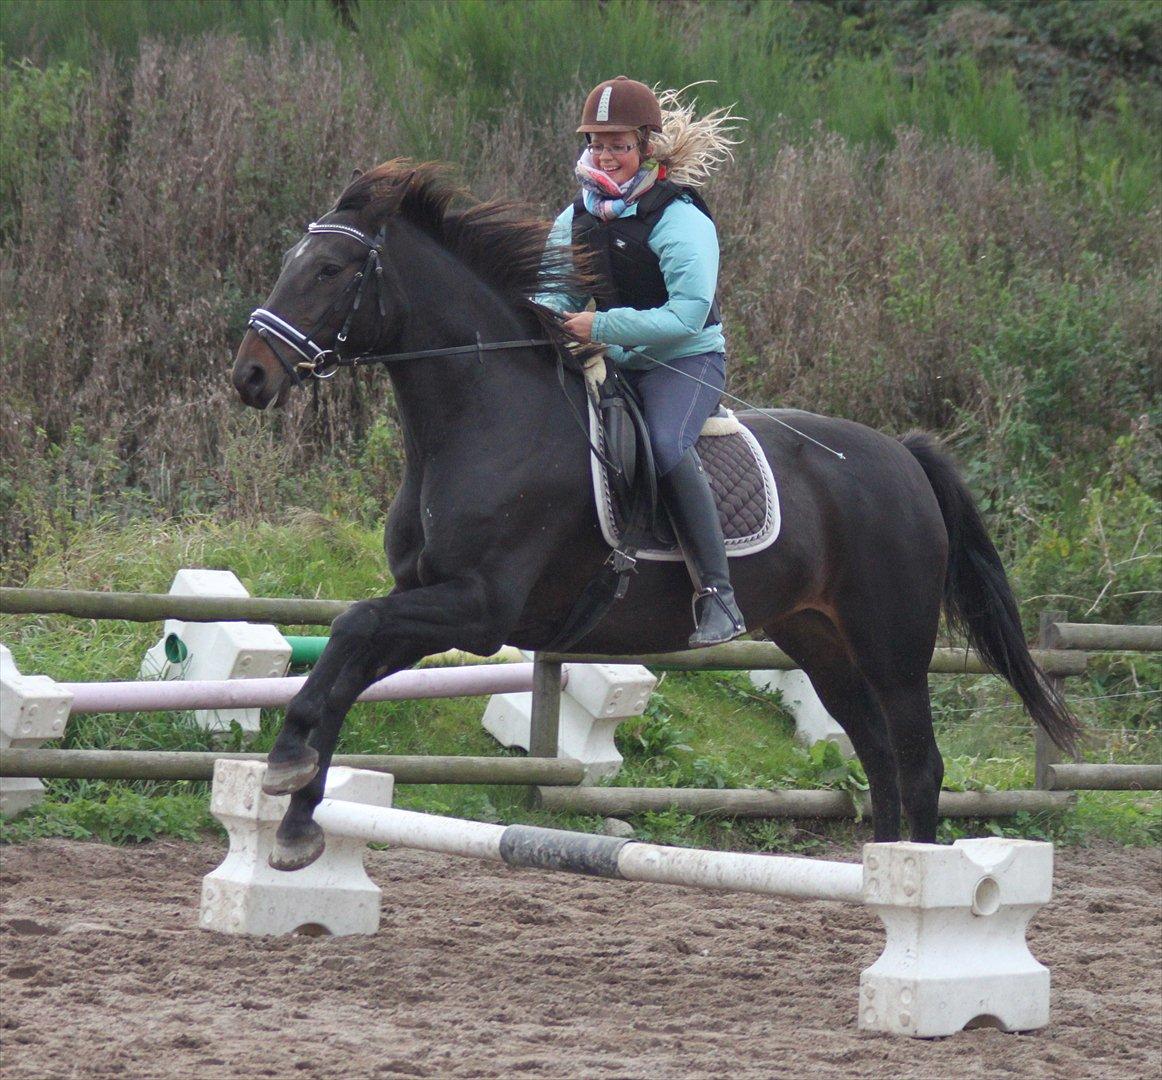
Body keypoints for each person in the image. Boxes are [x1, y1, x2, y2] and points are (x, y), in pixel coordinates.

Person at [537, 76, 746, 647]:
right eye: (596, 144)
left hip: (684, 361)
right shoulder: (574, 218)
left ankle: (718, 596)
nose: (606, 155)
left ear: (645, 147)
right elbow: (554, 297)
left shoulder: (680, 219)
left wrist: (599, 327)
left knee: (662, 443)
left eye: (618, 144)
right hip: (614, 358)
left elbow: (685, 317)